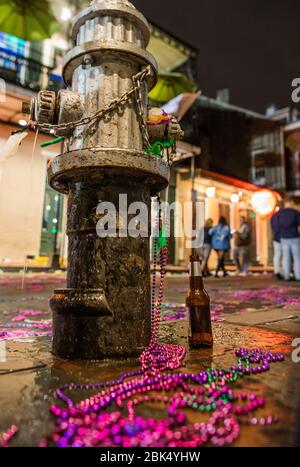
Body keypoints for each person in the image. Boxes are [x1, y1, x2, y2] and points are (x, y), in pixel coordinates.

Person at [272, 197, 300, 281]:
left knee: (285, 257)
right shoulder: (295, 213)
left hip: (284, 237)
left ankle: (287, 276)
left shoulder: (279, 214)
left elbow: (277, 226)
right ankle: (298, 275)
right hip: (294, 236)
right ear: (290, 202)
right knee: (297, 257)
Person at [271, 207, 283, 280]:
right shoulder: (284, 215)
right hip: (285, 237)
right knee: (285, 255)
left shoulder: (274, 216)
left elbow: (272, 227)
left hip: (276, 238)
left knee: (277, 255)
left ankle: (277, 271)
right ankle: (284, 271)